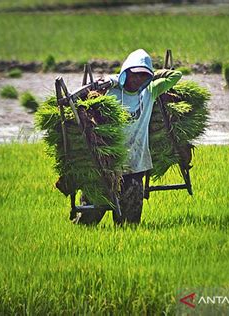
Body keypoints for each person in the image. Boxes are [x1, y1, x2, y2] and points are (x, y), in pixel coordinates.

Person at [72, 49, 182, 225]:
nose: (137, 80)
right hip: (105, 164)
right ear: (126, 72)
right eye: (134, 74)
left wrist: (153, 75)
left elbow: (176, 75)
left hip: (135, 164)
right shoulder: (108, 92)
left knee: (128, 224)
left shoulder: (150, 92)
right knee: (89, 219)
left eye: (143, 76)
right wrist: (114, 79)